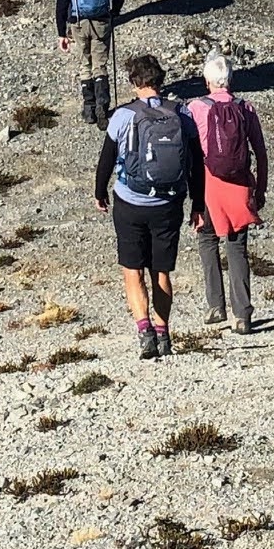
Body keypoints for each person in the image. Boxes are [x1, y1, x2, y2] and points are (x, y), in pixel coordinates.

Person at [93, 53, 203, 359]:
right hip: (169, 204)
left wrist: (100, 192)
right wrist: (198, 204)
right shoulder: (182, 114)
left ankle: (144, 332)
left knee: (132, 270)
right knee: (161, 272)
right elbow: (197, 163)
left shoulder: (123, 116)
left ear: (134, 82)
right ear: (160, 81)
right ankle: (163, 331)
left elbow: (105, 160)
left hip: (130, 201)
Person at [186, 54, 269, 333]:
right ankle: (243, 314)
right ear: (230, 79)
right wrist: (261, 189)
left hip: (209, 184)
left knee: (207, 239)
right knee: (237, 246)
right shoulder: (246, 108)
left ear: (207, 80)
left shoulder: (195, 107)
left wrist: (189, 192)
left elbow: (189, 153)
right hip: (240, 184)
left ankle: (215, 306)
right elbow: (260, 151)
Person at [56, 0, 125, 124]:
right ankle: (103, 103)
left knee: (84, 63)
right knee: (100, 63)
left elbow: (61, 4)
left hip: (78, 23)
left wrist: (61, 33)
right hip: (101, 20)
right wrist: (114, 13)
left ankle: (89, 108)